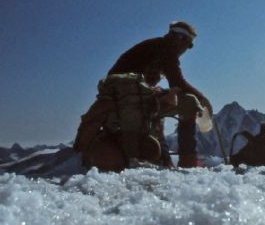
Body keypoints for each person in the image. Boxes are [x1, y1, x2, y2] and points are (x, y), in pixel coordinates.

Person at [76, 21, 212, 169]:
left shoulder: (154, 46)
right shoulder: (168, 48)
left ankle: (164, 161)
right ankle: (188, 163)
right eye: (189, 44)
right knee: (190, 103)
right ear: (181, 38)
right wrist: (203, 99)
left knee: (160, 109)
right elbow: (177, 82)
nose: (188, 49)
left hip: (121, 98)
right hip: (134, 97)